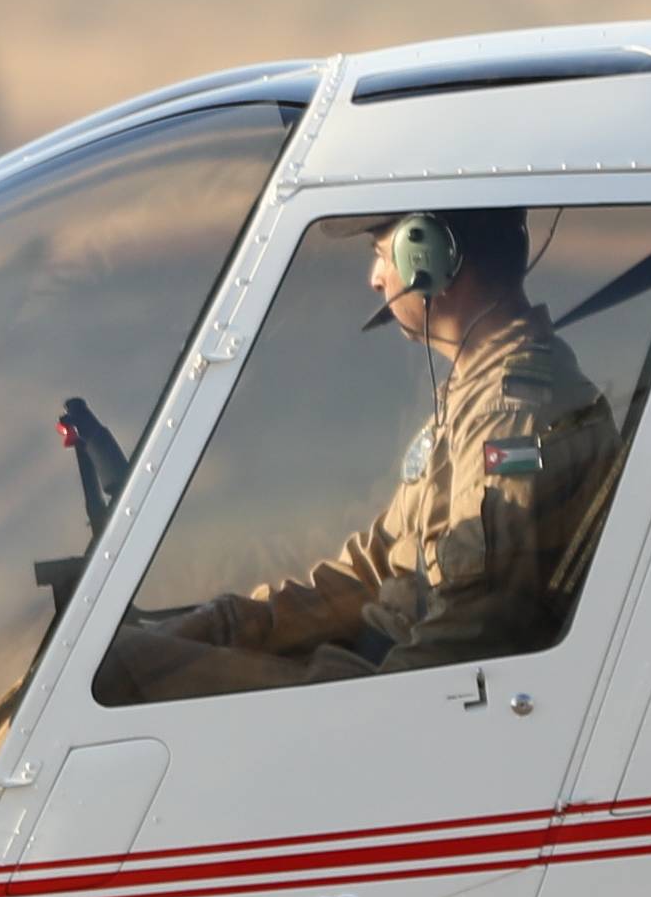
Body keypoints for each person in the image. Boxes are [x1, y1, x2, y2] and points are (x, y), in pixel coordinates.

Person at [135, 207, 623, 686]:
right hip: (378, 665)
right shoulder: (476, 394)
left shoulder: (508, 413)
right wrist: (230, 625)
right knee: (138, 655)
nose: (374, 279)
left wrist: (361, 709)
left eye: (381, 254)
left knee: (130, 670)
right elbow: (377, 564)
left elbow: (474, 628)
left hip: (391, 683)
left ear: (429, 255)